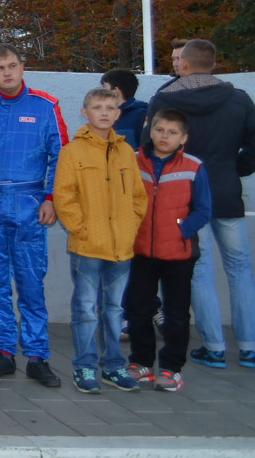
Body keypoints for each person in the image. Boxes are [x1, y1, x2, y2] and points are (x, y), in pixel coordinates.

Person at [142, 38, 255, 370]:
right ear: (214, 64)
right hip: (226, 192)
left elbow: (149, 146)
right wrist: (235, 169)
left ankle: (214, 347)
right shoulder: (239, 99)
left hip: (184, 197)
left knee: (200, 270)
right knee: (240, 269)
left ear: (185, 64)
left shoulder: (165, 99)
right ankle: (249, 347)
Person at [0, 44, 67, 388]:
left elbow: (61, 156)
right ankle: (3, 353)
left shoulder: (46, 106)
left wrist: (51, 198)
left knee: (30, 282)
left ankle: (38, 356)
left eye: (12, 65)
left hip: (30, 203)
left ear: (22, 67)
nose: (7, 72)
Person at [53, 87, 147, 393]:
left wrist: (130, 227)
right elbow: (64, 197)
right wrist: (81, 229)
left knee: (115, 310)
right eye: (97, 107)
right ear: (85, 113)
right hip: (88, 246)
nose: (104, 113)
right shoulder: (72, 152)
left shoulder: (126, 152)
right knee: (85, 309)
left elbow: (138, 196)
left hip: (121, 246)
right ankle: (84, 366)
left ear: (118, 113)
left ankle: (113, 366)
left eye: (110, 108)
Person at [127, 109, 211, 393]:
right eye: (160, 129)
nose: (165, 136)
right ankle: (141, 362)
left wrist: (180, 232)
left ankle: (171, 369)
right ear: (150, 130)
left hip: (178, 254)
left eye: (172, 132)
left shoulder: (193, 166)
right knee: (138, 309)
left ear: (183, 138)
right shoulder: (133, 161)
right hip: (141, 250)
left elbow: (203, 210)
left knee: (176, 314)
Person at [101, 68, 147, 151]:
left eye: (104, 88)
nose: (101, 94)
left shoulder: (142, 115)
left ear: (115, 91)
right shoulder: (105, 116)